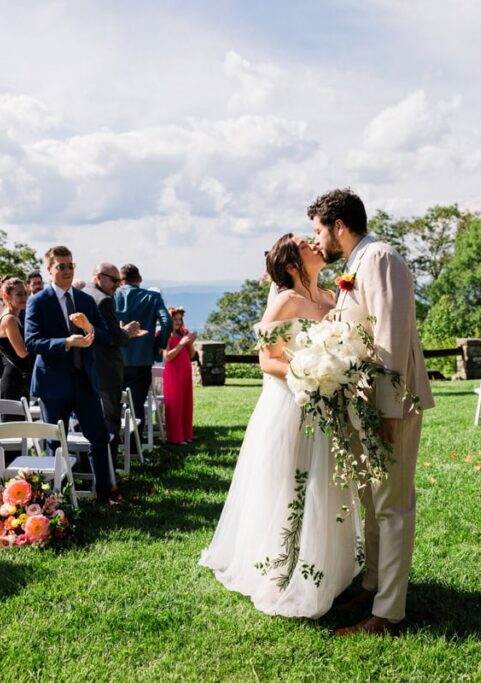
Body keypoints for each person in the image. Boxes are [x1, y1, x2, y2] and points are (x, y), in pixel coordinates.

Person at [200, 234, 362, 619]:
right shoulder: (285, 300)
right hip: (291, 405)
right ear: (292, 264)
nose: (315, 245)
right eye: (306, 244)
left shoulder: (329, 297)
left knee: (328, 483)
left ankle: (328, 569)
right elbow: (265, 360)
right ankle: (282, 573)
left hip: (328, 406)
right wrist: (307, 375)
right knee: (291, 484)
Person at [309, 188, 435, 637]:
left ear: (338, 226)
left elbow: (391, 335)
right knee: (371, 499)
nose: (317, 240)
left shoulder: (379, 257)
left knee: (393, 505)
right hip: (362, 402)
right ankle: (374, 584)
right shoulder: (355, 263)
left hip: (388, 404)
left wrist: (388, 409)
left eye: (318, 230)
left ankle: (389, 613)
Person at [25, 245, 116, 502]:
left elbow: (106, 337)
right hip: (53, 382)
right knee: (55, 442)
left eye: (70, 265)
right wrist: (67, 342)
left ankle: (104, 494)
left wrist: (89, 328)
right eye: (61, 266)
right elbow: (32, 342)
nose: (66, 271)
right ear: (49, 270)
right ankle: (55, 498)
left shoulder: (85, 300)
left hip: (84, 380)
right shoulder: (38, 301)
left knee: (98, 437)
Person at [85, 263, 138, 453]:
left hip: (88, 369)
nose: (118, 284)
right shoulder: (103, 300)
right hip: (106, 371)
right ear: (98, 277)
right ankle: (110, 470)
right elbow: (113, 338)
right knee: (110, 422)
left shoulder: (83, 294)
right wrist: (127, 332)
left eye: (120, 280)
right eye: (114, 280)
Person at [115, 264, 172, 439]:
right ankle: (134, 449)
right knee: (137, 407)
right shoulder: (152, 297)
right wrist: (158, 345)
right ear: (139, 279)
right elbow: (167, 322)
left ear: (120, 280)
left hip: (114, 359)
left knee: (113, 406)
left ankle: (113, 448)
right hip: (142, 360)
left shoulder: (112, 296)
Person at [0, 278, 32, 401]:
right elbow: (22, 352)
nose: (24, 298)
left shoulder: (14, 317)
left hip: (18, 378)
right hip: (13, 381)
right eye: (19, 294)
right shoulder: (9, 319)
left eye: (25, 293)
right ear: (6, 296)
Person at [163, 306, 196, 445]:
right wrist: (181, 344)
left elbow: (192, 354)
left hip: (186, 371)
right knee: (175, 404)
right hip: (173, 374)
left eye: (179, 319)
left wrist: (190, 343)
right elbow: (168, 357)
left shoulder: (184, 333)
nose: (177, 322)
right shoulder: (164, 335)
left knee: (186, 402)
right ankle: (176, 437)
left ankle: (187, 434)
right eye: (174, 319)